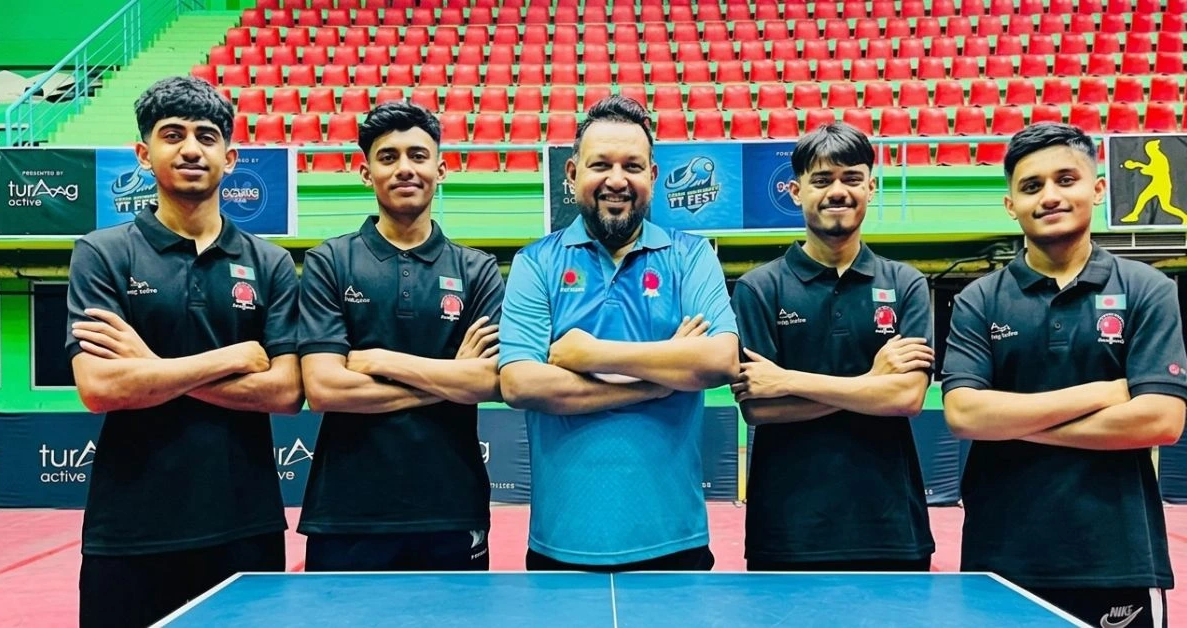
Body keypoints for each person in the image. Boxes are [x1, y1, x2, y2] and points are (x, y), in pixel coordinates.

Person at [66, 76, 302, 628]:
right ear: (143, 154)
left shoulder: (269, 263)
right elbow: (99, 388)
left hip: (245, 526)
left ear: (230, 157)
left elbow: (287, 392)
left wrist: (150, 369)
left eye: (206, 136)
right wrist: (233, 356)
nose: (191, 148)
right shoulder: (102, 254)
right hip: (128, 530)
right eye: (172, 135)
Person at [942, 122, 1186, 628]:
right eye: (1032, 186)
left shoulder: (1148, 289)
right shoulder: (977, 299)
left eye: (1066, 179)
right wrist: (1102, 392)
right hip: (1000, 556)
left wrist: (1010, 423)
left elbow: (1160, 421)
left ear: (1098, 189)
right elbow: (964, 414)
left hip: (1116, 557)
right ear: (1010, 204)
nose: (1049, 196)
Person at [498, 95, 739, 571]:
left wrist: (590, 354)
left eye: (632, 166)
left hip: (674, 541)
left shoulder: (691, 256)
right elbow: (520, 383)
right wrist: (660, 377)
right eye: (600, 165)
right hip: (560, 542)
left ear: (653, 175)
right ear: (572, 174)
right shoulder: (535, 262)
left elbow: (719, 361)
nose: (616, 180)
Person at [296, 102, 503, 571]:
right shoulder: (330, 262)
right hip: (346, 512)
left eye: (418, 155)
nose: (404, 168)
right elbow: (325, 388)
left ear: (440, 170)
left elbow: (490, 382)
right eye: (388, 157)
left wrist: (379, 360)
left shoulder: (477, 269)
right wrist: (449, 377)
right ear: (365, 173)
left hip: (452, 507)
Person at [730, 123, 936, 572]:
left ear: (871, 188)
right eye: (822, 180)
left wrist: (789, 381)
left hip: (891, 529)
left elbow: (906, 398)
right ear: (795, 191)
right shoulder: (758, 289)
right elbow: (760, 408)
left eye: (852, 178)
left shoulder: (906, 284)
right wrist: (871, 384)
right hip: (787, 531)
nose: (838, 192)